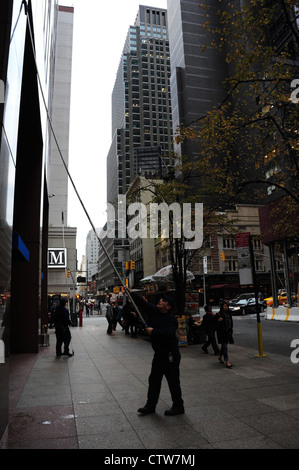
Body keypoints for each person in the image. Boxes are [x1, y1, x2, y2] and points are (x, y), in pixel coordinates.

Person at [125, 288, 184, 416]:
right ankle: (150, 405)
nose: (160, 301)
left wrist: (154, 331)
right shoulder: (155, 311)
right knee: (154, 380)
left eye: (163, 301)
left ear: (168, 306)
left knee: (173, 381)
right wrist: (130, 292)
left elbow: (169, 333)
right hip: (159, 355)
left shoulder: (171, 319)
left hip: (170, 355)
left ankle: (178, 406)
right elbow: (142, 303)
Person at [215, 301, 234, 368]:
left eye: (227, 306)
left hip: (227, 332)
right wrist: (218, 321)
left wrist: (231, 330)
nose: (226, 307)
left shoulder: (229, 314)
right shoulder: (219, 314)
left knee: (224, 346)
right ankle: (227, 361)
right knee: (225, 346)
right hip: (222, 333)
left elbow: (231, 323)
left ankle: (220, 357)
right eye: (224, 306)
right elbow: (214, 324)